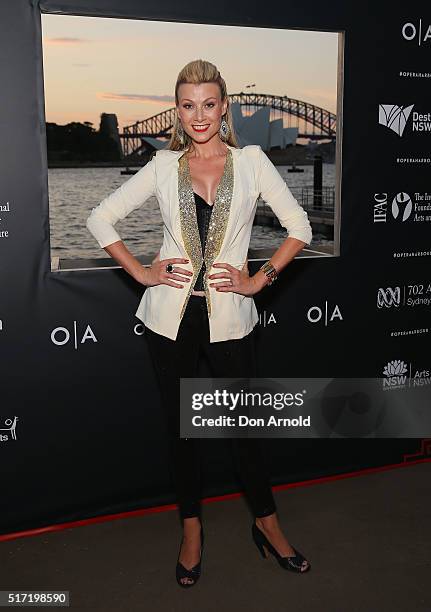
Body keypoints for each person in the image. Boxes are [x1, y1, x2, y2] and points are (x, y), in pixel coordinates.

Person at [86, 59, 313, 587]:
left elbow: (298, 226)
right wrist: (142, 271)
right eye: (188, 105)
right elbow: (100, 217)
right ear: (178, 110)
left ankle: (267, 524)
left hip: (232, 318)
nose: (199, 115)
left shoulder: (252, 161)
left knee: (246, 432)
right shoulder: (165, 166)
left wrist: (260, 279)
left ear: (224, 106)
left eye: (208, 104)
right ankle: (192, 531)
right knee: (182, 433)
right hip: (170, 320)